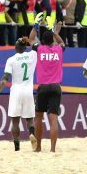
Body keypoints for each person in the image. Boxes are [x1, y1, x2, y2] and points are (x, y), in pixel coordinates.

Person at [0, 37, 38, 151]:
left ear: (15, 47)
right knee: (29, 119)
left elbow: (5, 78)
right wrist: (30, 40)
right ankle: (31, 134)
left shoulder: (11, 60)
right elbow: (37, 45)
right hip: (28, 91)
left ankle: (17, 147)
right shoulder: (32, 55)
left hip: (16, 91)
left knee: (15, 121)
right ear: (25, 47)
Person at [30, 22, 66, 153]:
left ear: (43, 41)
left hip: (43, 87)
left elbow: (31, 39)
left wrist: (35, 26)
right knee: (53, 119)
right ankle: (52, 149)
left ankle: (38, 147)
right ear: (52, 40)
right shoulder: (58, 49)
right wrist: (56, 32)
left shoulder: (39, 49)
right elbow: (62, 43)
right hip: (56, 87)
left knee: (38, 117)